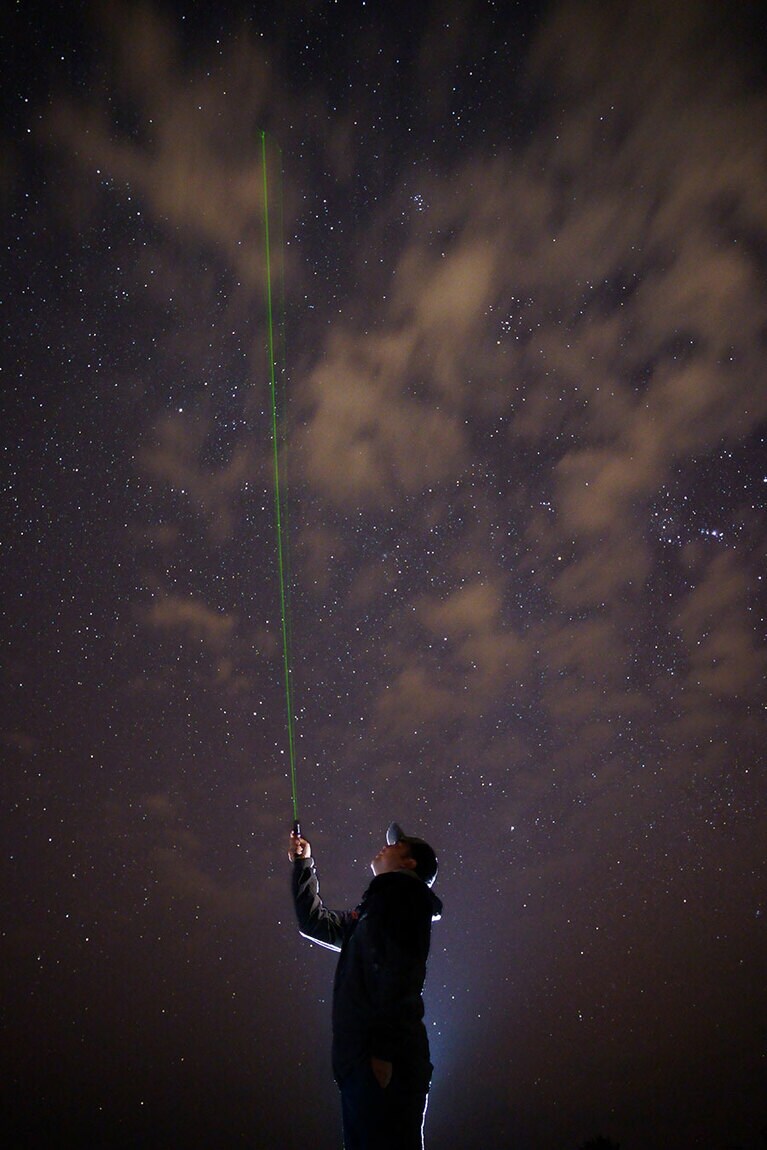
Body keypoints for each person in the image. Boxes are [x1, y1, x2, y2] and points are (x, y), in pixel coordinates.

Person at [289, 821, 442, 1150]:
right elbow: (314, 923)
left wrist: (383, 1051)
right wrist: (303, 865)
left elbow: (402, 972)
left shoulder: (405, 900)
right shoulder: (374, 908)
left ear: (409, 863)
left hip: (384, 1062)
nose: (385, 846)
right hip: (362, 1059)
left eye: (396, 845)